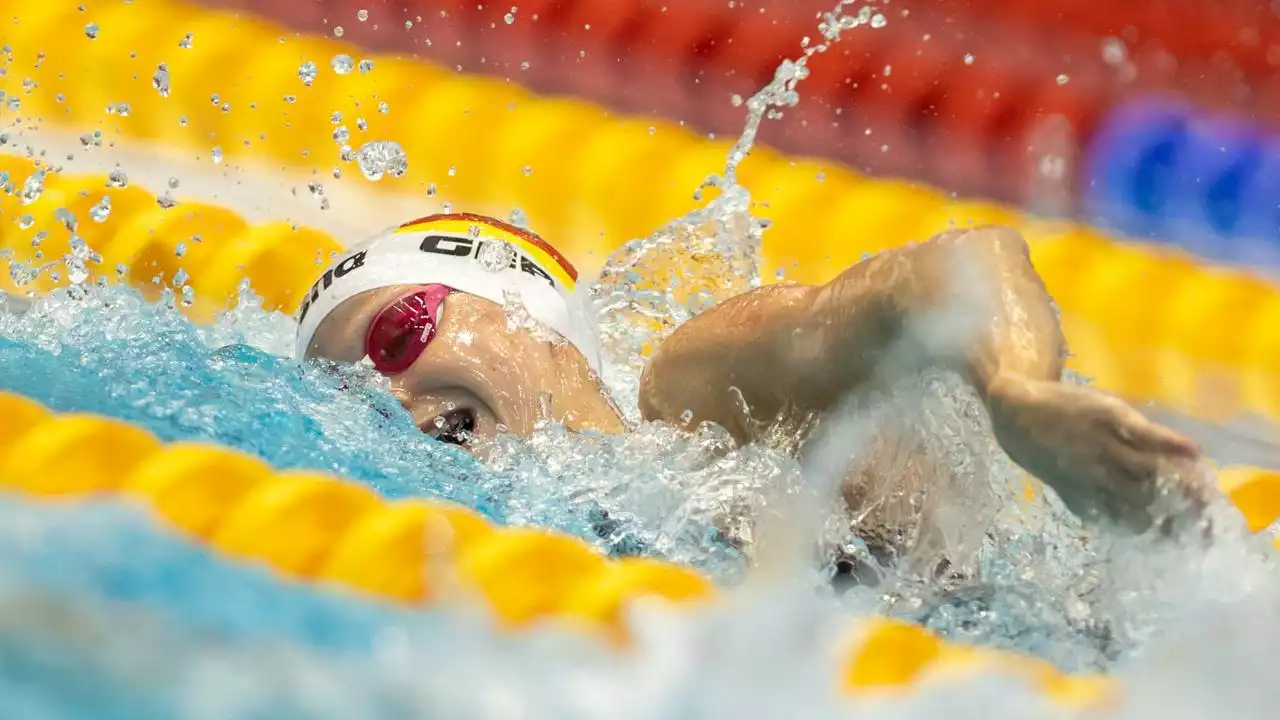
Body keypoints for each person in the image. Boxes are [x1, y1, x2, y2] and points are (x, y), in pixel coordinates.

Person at [297, 212, 1209, 577]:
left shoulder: (696, 401)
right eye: (346, 394)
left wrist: (1017, 399)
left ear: (521, 311)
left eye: (397, 332)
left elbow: (954, 270)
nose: (389, 394)